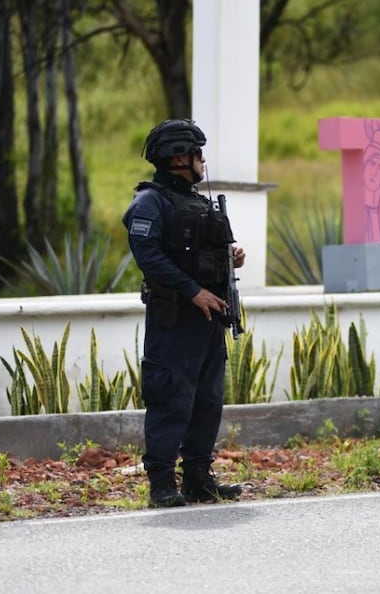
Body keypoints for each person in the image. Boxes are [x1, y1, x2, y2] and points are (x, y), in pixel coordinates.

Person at [122, 119, 246, 508]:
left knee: (207, 402)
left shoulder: (198, 201)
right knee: (171, 400)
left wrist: (231, 259)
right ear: (179, 157)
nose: (202, 161)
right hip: (175, 320)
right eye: (197, 154)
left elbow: (198, 254)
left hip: (210, 322)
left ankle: (197, 479)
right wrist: (193, 292)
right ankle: (162, 484)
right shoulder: (149, 203)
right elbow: (150, 257)